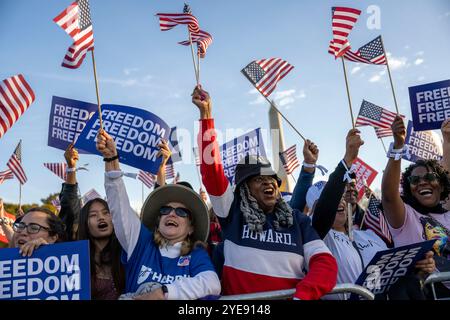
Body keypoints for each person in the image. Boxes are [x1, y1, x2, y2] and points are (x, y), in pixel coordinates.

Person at [192, 85, 337, 299]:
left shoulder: (298, 220)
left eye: (272, 179)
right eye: (259, 179)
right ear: (243, 190)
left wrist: (302, 296)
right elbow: (211, 171)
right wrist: (206, 116)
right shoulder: (232, 213)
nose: (269, 184)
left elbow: (325, 263)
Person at [96, 129, 221, 300]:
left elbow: (212, 283)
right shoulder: (141, 243)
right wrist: (111, 160)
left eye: (181, 212)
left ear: (191, 227)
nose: (172, 214)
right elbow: (119, 206)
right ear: (158, 219)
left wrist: (163, 293)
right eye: (165, 210)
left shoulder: (196, 254)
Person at [382, 115, 450, 297]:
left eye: (429, 178)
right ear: (409, 188)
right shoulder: (406, 217)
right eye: (415, 180)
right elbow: (388, 197)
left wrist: (447, 140)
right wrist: (398, 148)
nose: (422, 183)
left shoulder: (448, 215)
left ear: (441, 185)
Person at [59, 143, 126, 299]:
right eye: (93, 215)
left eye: (105, 213)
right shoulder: (75, 257)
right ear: (85, 224)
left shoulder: (125, 253)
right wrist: (71, 168)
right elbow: (70, 208)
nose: (101, 217)